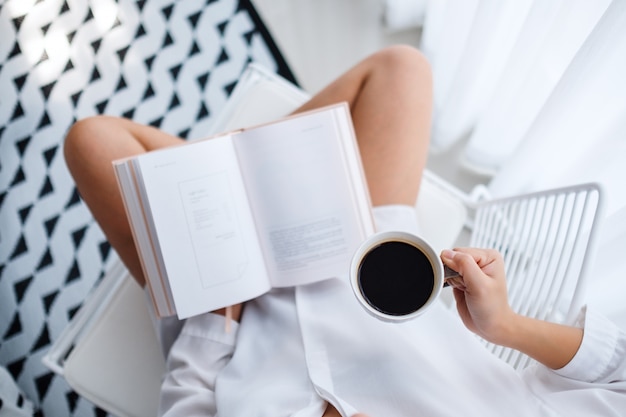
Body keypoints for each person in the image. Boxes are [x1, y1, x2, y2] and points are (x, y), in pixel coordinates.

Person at [64, 45, 626, 416]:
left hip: (233, 317)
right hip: (370, 266)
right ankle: (251, 170)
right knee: (402, 70)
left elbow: (186, 405)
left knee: (92, 142)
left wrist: (215, 325)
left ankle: (242, 172)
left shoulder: (222, 328)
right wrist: (505, 326)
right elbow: (618, 374)